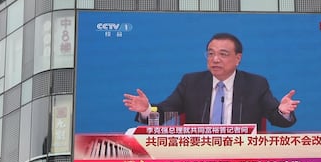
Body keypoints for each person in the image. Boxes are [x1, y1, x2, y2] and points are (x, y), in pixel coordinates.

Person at [123, 32, 299, 128]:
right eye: (211, 53)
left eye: (223, 54)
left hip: (244, 154)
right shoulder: (191, 82)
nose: (215, 59)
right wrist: (147, 109)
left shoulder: (256, 84)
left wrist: (283, 111)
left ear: (238, 58)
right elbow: (162, 111)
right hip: (199, 154)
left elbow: (277, 119)